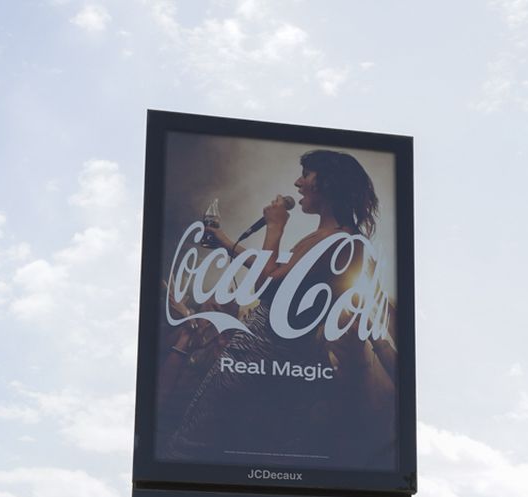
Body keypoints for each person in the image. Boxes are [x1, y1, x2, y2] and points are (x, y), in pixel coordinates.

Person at [161, 149, 398, 471]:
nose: (298, 183)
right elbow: (276, 272)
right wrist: (224, 242)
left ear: (328, 183)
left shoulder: (342, 242)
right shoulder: (326, 237)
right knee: (221, 442)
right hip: (260, 355)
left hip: (262, 358)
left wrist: (275, 227)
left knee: (196, 443)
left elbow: (267, 284)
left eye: (307, 175)